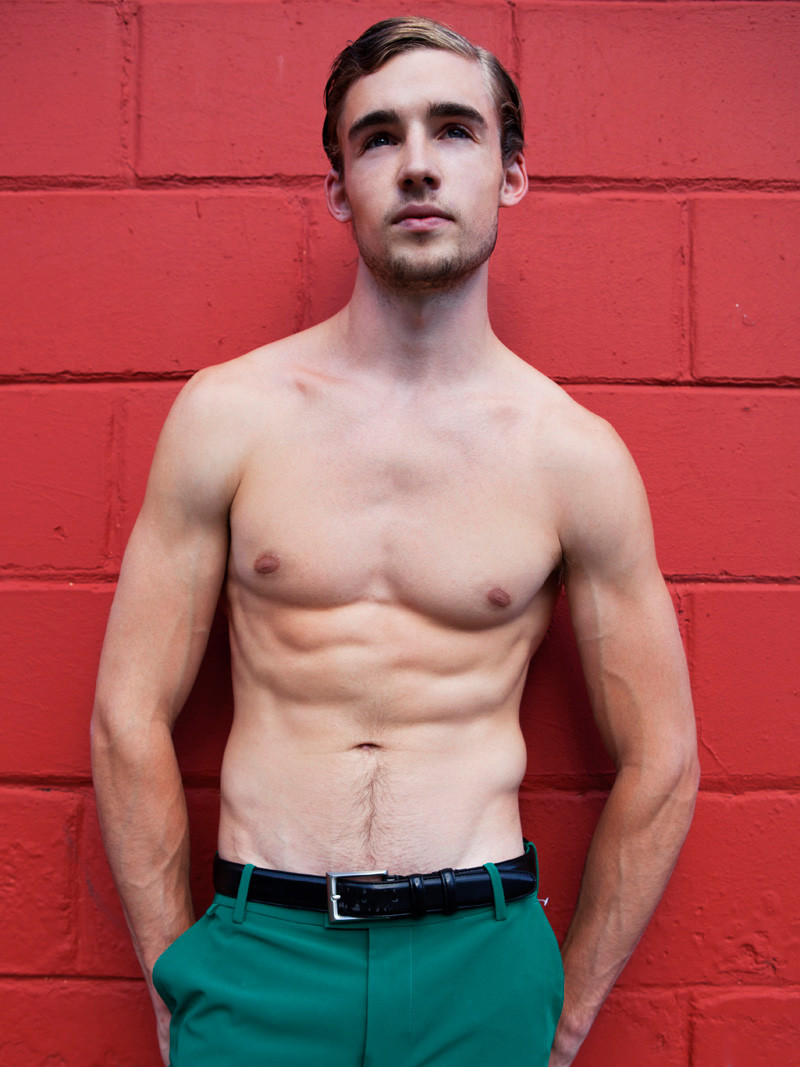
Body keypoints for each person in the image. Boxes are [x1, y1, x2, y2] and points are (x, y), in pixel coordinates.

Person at [91, 16, 699, 1067]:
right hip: (261, 952)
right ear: (339, 188)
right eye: (378, 137)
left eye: (454, 130)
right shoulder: (230, 416)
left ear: (510, 173)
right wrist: (171, 970)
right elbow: (126, 715)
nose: (417, 164)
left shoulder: (572, 456)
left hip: (481, 961)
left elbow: (664, 759)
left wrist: (560, 1014)